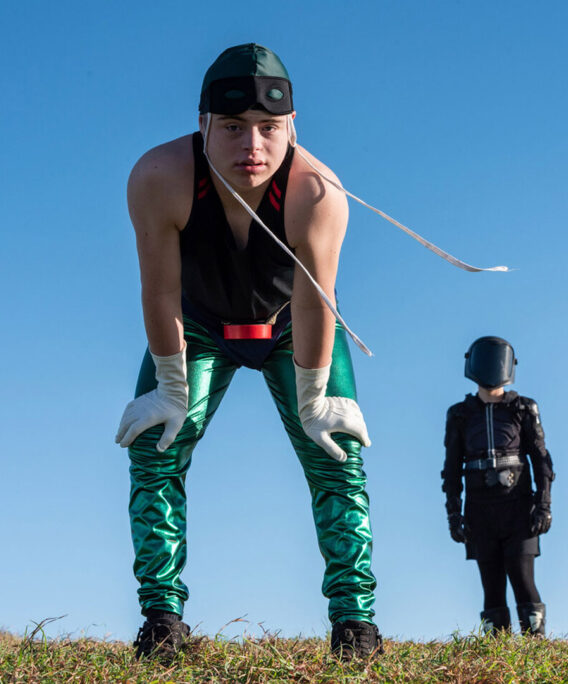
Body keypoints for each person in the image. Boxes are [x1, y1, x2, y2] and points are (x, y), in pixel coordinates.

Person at [115, 43, 381, 660]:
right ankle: (162, 620)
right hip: (196, 322)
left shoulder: (318, 191)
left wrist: (314, 399)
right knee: (155, 448)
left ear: (292, 126)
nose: (252, 146)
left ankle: (355, 624)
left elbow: (315, 303)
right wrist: (171, 388)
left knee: (335, 455)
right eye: (233, 127)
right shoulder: (160, 177)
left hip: (292, 323)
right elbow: (160, 289)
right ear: (204, 123)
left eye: (268, 128)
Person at [441, 337, 555, 636]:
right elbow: (451, 469)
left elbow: (542, 461)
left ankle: (535, 650)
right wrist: (453, 514)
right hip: (480, 511)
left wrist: (543, 505)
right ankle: (496, 653)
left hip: (518, 508)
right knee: (491, 585)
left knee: (523, 579)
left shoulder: (523, 409)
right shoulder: (460, 414)